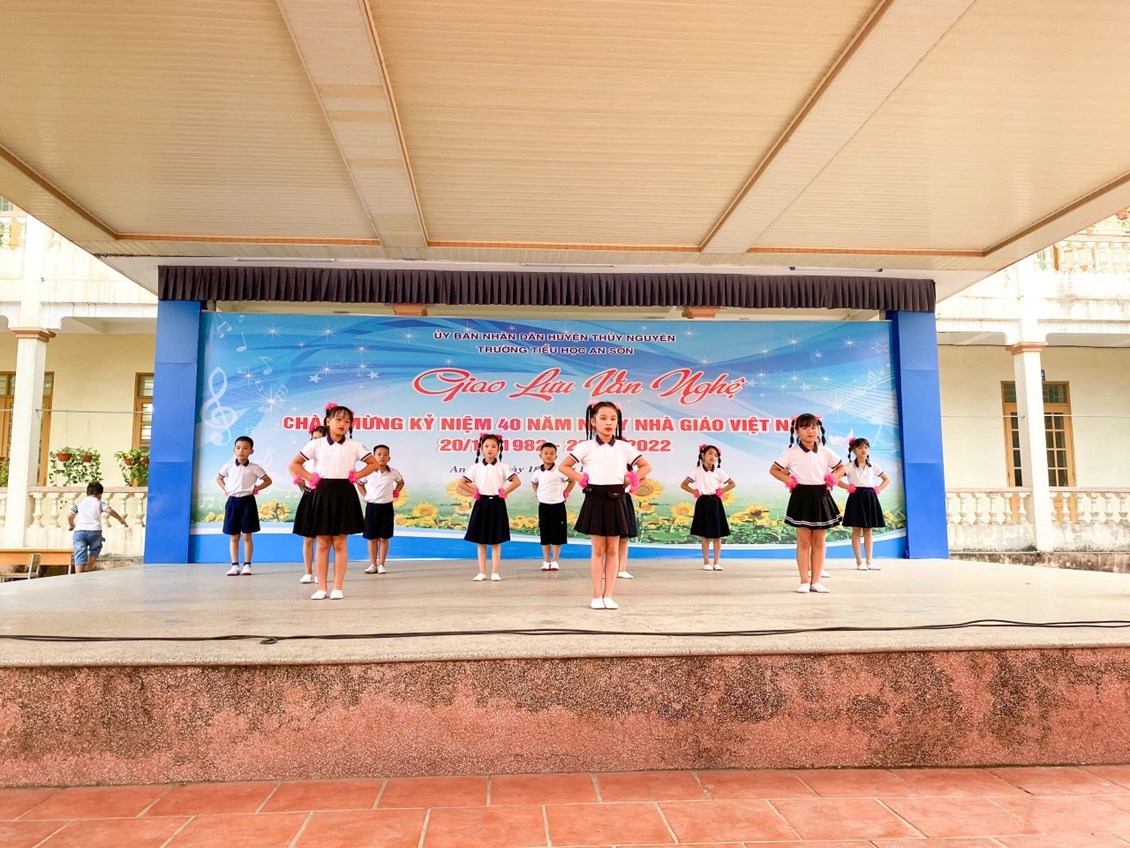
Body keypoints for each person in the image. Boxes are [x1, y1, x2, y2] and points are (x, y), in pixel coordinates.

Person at [561, 401, 652, 610]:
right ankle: (596, 595)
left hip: (616, 498)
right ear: (593, 422)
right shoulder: (585, 446)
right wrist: (582, 479)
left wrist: (631, 479)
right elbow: (564, 466)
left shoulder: (624, 447)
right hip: (595, 497)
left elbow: (646, 466)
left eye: (613, 419)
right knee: (598, 549)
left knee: (612, 549)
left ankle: (608, 595)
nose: (608, 423)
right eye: (603, 418)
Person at [287, 403, 379, 600]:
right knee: (322, 542)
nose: (342, 424)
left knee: (339, 542)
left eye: (347, 421)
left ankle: (338, 587)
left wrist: (357, 475)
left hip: (344, 493)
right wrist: (310, 478)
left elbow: (373, 463)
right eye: (338, 419)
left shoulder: (355, 445)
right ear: (328, 422)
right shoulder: (316, 444)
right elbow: (295, 463)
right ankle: (321, 587)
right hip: (322, 492)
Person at [769, 413, 843, 594]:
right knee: (803, 541)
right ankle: (804, 580)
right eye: (804, 427)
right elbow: (774, 470)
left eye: (813, 427)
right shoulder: (790, 452)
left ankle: (816, 581)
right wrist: (790, 481)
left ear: (818, 429)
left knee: (819, 541)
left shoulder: (825, 451)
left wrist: (833, 478)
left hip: (821, 495)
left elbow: (841, 467)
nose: (810, 431)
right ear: (796, 431)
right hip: (801, 496)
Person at [457, 434, 520, 581]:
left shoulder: (503, 467)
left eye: (493, 446)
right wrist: (475, 492)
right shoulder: (475, 467)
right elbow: (462, 483)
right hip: (482, 503)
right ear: (481, 448)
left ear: (498, 449)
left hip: (497, 503)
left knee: (496, 541)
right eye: (486, 446)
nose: (489, 449)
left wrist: (505, 492)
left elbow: (517, 481)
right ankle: (482, 572)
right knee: (481, 541)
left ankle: (495, 572)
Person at [216, 435, 272, 576]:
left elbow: (268, 480)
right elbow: (219, 478)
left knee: (247, 536)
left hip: (248, 502)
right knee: (234, 536)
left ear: (251, 451)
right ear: (234, 450)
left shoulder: (255, 468)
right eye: (238, 448)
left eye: (245, 448)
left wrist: (257, 488)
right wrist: (225, 489)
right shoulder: (228, 466)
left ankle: (247, 565)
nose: (241, 451)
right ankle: (234, 565)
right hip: (232, 502)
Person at [681, 444, 736, 571]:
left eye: (715, 455)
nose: (713, 457)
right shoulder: (696, 471)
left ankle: (716, 562)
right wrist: (694, 491)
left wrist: (721, 490)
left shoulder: (719, 472)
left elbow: (732, 484)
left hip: (715, 502)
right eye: (710, 453)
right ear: (703, 455)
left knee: (717, 535)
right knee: (705, 534)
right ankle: (706, 561)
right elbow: (684, 484)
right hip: (703, 502)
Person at [839, 437, 890, 570]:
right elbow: (835, 478)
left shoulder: (873, 465)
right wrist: (847, 487)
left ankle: (869, 561)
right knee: (856, 530)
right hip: (856, 497)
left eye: (866, 447)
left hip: (870, 497)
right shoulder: (849, 466)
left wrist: (878, 489)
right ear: (853, 450)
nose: (863, 450)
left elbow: (886, 479)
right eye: (860, 447)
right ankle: (859, 562)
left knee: (868, 530)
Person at [356, 444, 405, 575]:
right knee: (372, 538)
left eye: (385, 454)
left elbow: (401, 482)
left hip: (386, 507)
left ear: (389, 458)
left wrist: (396, 492)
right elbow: (359, 484)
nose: (382, 457)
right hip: (372, 507)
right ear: (374, 456)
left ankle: (381, 564)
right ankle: (373, 564)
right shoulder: (368, 471)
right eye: (379, 454)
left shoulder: (393, 472)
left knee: (384, 538)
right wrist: (366, 496)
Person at [530, 442, 573, 571]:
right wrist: (538, 493)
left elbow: (572, 481)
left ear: (556, 456)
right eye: (546, 453)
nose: (548, 456)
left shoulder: (560, 470)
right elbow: (534, 483)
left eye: (551, 453)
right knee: (545, 533)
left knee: (557, 533)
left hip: (558, 506)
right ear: (540, 455)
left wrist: (566, 493)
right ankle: (546, 561)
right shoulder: (537, 472)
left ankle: (555, 561)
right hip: (543, 506)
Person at [68, 481, 127, 573]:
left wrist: (72, 525)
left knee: (79, 551)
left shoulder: (79, 503)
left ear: (87, 492)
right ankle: (88, 569)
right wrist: (120, 519)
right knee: (95, 549)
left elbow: (70, 516)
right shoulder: (100, 503)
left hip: (80, 531)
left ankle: (78, 574)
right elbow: (110, 511)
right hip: (94, 531)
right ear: (99, 494)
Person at [292, 424, 326, 584]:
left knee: (322, 540)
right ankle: (308, 572)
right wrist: (298, 480)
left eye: (319, 439)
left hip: (324, 499)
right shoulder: (305, 460)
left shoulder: (329, 459)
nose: (315, 442)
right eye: (313, 439)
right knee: (308, 539)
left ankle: (320, 573)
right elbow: (292, 467)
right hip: (309, 497)